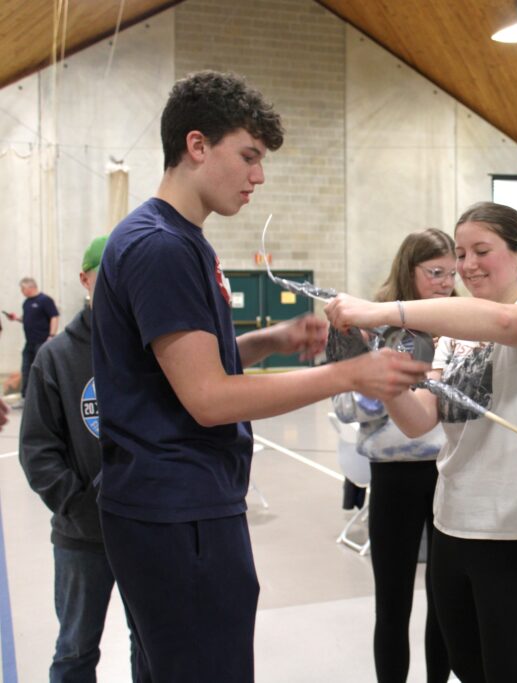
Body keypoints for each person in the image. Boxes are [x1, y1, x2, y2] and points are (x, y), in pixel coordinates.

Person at [91, 71, 429, 682]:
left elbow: (181, 369)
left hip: (179, 504)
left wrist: (269, 341)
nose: (259, 176)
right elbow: (208, 398)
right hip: (177, 508)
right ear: (197, 146)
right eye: (248, 156)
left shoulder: (180, 241)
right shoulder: (159, 246)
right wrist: (349, 372)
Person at [326, 202, 517, 683]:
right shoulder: (453, 338)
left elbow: (504, 325)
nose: (467, 266)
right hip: (453, 525)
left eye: (481, 251)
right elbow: (422, 420)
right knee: (466, 667)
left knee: (510, 671)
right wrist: (379, 365)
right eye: (461, 253)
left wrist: (379, 307)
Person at [332, 228, 456, 683]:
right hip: (393, 474)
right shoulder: (373, 323)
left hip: (447, 474)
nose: (445, 283)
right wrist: (380, 383)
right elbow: (346, 405)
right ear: (409, 269)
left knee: (444, 602)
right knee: (393, 601)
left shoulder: (458, 323)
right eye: (435, 273)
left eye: (451, 273)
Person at [18, 235, 139, 682]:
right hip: (81, 536)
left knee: (147, 646)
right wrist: (78, 503)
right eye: (105, 277)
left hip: (142, 531)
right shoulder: (55, 358)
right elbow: (37, 448)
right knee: (74, 650)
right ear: (85, 279)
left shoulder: (148, 350)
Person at [6, 276, 60, 397]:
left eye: (22, 289)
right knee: (26, 369)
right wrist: (16, 318)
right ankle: (25, 397)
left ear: (30, 287)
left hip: (42, 341)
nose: (22, 292)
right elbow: (27, 319)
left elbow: (54, 316)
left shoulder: (45, 300)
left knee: (41, 370)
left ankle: (44, 396)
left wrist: (51, 335)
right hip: (29, 342)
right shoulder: (26, 303)